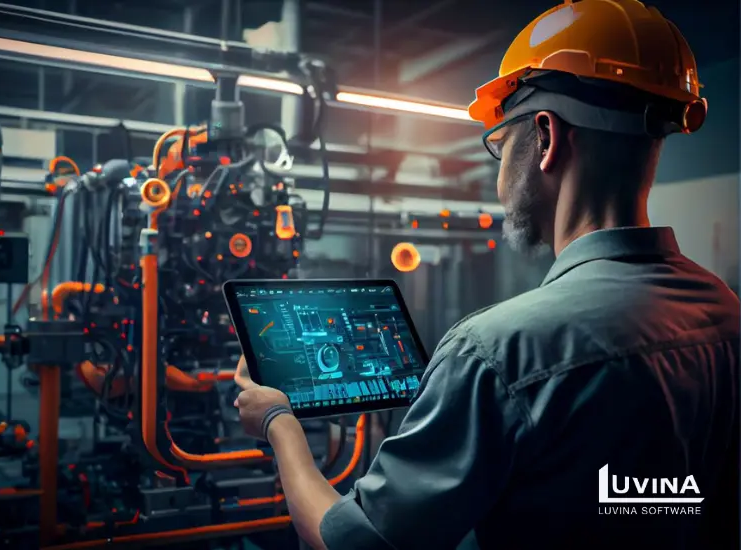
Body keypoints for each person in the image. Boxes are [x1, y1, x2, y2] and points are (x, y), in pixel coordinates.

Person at [233, 1, 740, 548]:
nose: (500, 176)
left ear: (545, 137)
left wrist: (277, 422)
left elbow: (351, 544)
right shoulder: (725, 312)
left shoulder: (497, 352)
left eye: (501, 145)